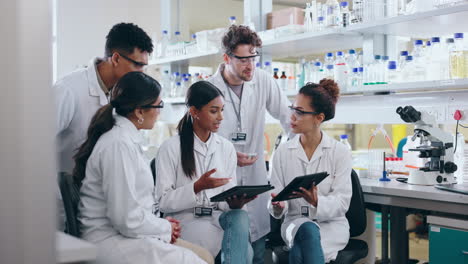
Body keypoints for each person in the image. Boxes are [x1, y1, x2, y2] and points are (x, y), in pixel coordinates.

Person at [74, 72, 211, 264]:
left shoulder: (126, 139)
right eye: (159, 106)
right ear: (139, 112)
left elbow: (133, 208)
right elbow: (125, 218)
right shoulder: (118, 145)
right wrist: (164, 228)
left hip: (128, 235)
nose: (159, 112)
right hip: (110, 241)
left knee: (203, 257)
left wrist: (161, 226)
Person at [54, 22, 153, 230]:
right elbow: (32, 147)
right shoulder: (68, 91)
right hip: (61, 205)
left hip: (100, 206)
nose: (142, 73)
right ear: (116, 58)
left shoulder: (122, 97)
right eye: (138, 65)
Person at [207, 24, 291, 263]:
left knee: (256, 252)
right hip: (222, 182)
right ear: (226, 58)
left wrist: (289, 160)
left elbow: (289, 119)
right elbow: (196, 139)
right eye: (243, 60)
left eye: (254, 58)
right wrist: (227, 152)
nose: (250, 65)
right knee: (232, 252)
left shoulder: (263, 80)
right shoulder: (208, 89)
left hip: (255, 179)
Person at [155, 81, 255, 264]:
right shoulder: (170, 148)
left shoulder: (226, 148)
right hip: (189, 222)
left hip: (219, 220)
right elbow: (163, 202)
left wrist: (235, 203)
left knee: (240, 216)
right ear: (194, 112)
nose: (221, 117)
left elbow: (227, 195)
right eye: (214, 111)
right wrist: (196, 187)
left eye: (222, 110)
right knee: (245, 253)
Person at [268, 79, 352, 264]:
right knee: (306, 230)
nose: (292, 117)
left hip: (331, 227)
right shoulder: (282, 152)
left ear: (319, 118)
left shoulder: (340, 152)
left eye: (299, 112)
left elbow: (342, 203)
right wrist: (277, 206)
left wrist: (316, 202)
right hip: (294, 223)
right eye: (292, 109)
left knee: (300, 252)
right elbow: (274, 197)